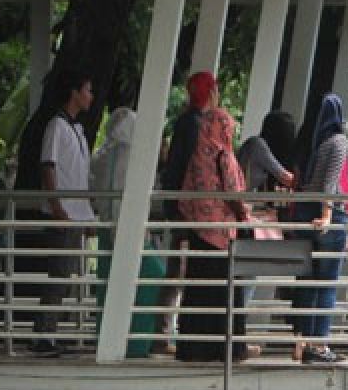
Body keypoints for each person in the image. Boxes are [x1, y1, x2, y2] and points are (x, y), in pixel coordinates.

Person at [175, 106, 257, 362]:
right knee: (225, 292)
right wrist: (245, 215)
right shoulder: (223, 154)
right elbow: (234, 193)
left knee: (198, 290)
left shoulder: (197, 156)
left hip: (200, 232)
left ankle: (193, 348)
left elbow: (185, 196)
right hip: (221, 235)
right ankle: (229, 348)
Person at [88, 107, 163, 358]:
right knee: (151, 277)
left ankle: (108, 340)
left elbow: (95, 191)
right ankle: (136, 342)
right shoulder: (133, 156)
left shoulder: (101, 156)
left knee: (109, 288)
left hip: (106, 229)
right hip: (127, 230)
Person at [32, 70, 96, 357]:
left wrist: (87, 214)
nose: (91, 96)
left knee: (65, 275)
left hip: (76, 213)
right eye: (88, 90)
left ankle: (50, 332)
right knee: (58, 273)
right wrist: (56, 206)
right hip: (62, 213)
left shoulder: (77, 131)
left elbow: (79, 177)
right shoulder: (56, 126)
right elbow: (48, 165)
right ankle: (44, 334)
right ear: (75, 92)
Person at [155, 71, 218, 353]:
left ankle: (165, 333)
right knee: (181, 270)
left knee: (179, 269)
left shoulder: (185, 123)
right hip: (190, 210)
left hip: (180, 207)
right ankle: (164, 334)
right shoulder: (198, 126)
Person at [290, 93, 348, 363]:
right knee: (327, 284)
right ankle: (320, 345)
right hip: (328, 219)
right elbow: (330, 184)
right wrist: (327, 216)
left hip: (304, 217)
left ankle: (301, 342)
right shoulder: (338, 142)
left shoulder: (313, 143)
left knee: (308, 282)